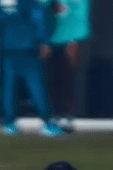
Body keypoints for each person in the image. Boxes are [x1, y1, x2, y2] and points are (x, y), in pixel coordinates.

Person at [0, 0, 65, 136]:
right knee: (36, 86)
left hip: (8, 47)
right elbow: (38, 18)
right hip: (28, 48)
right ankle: (47, 123)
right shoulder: (29, 4)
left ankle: (9, 123)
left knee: (9, 87)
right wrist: (44, 41)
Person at [42, 0, 91, 133]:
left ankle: (66, 115)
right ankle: (55, 114)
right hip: (51, 35)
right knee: (51, 77)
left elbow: (77, 10)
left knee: (68, 76)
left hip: (73, 34)